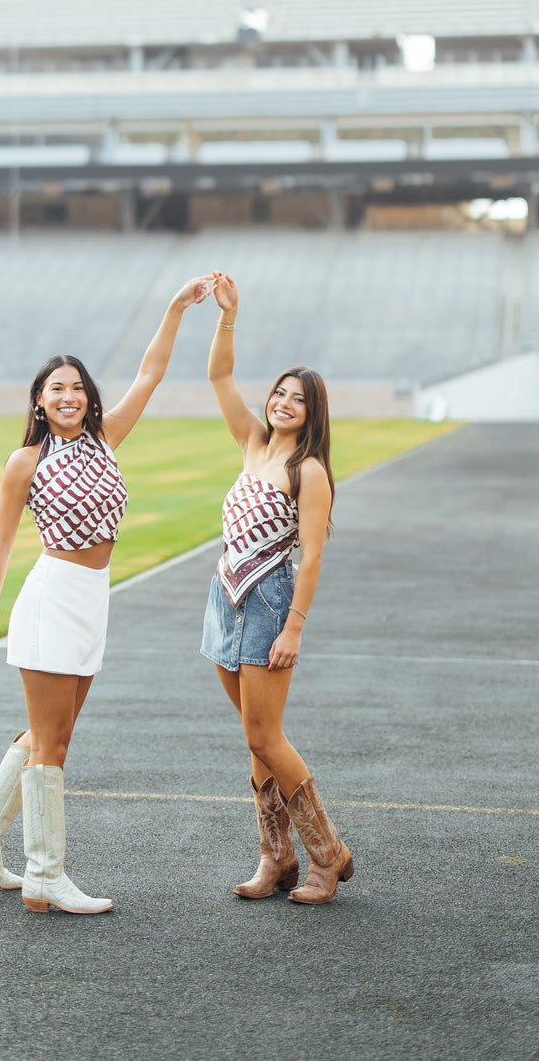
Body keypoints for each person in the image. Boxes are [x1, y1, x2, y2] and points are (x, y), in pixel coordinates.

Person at [0, 276, 211, 914]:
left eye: (77, 387)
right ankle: (45, 877)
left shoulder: (106, 438)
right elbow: (0, 548)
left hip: (93, 598)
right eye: (55, 389)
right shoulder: (26, 461)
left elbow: (150, 372)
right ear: (39, 402)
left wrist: (177, 307)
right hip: (50, 599)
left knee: (51, 731)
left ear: (88, 398)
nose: (68, 396)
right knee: (54, 744)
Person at [200, 271, 354, 904]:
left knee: (266, 735)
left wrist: (293, 627)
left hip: (268, 603)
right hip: (223, 599)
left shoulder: (307, 470)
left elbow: (312, 556)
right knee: (252, 734)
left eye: (298, 399)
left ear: (311, 413)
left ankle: (328, 855)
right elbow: (218, 378)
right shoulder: (252, 442)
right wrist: (228, 315)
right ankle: (276, 859)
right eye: (280, 393)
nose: (284, 403)